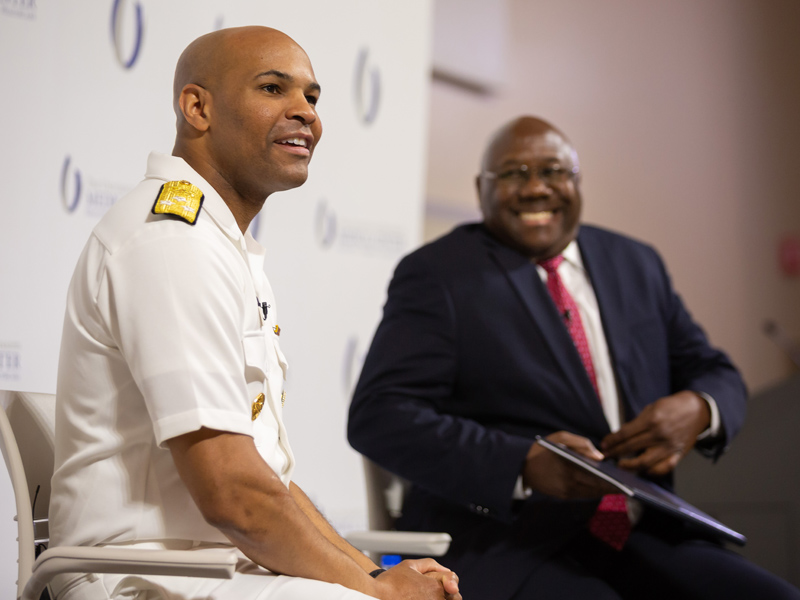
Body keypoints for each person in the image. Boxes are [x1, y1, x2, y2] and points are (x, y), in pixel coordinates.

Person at [49, 26, 460, 600]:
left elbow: (270, 487)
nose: (306, 115)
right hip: (140, 576)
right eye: (273, 89)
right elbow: (236, 496)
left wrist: (372, 576)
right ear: (198, 108)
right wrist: (382, 593)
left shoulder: (218, 243)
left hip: (217, 568)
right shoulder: (170, 243)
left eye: (312, 98)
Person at [348, 115, 800, 599]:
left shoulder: (636, 263)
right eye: (514, 173)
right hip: (509, 541)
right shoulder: (438, 274)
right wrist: (521, 463)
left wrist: (700, 408)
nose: (536, 188)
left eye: (554, 171)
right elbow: (380, 416)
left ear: (577, 182)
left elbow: (715, 370)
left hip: (644, 530)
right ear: (482, 188)